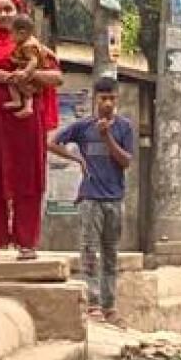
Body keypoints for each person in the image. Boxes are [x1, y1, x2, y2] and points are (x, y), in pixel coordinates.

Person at [0, 0, 63, 259]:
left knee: (27, 176)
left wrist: (29, 75)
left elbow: (56, 78)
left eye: (8, 9)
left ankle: (26, 242)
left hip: (26, 118)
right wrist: (12, 78)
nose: (3, 15)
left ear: (19, 13)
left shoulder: (33, 45)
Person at [48, 77, 136, 321]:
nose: (107, 103)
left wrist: (107, 137)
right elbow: (52, 143)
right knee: (89, 252)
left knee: (110, 253)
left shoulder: (124, 127)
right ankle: (93, 304)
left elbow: (126, 161)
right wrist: (76, 159)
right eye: (103, 98)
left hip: (114, 199)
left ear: (117, 99)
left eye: (111, 99)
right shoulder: (83, 126)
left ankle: (110, 306)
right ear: (95, 99)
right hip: (90, 198)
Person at [2, 13, 50, 118]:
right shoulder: (29, 41)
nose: (10, 37)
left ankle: (20, 102)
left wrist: (25, 72)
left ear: (22, 33)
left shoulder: (27, 46)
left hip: (31, 72)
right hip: (31, 71)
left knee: (14, 81)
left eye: (12, 33)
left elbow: (33, 61)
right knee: (18, 83)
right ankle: (25, 105)